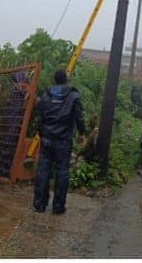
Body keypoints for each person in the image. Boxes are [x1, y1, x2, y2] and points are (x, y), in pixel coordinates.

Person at [32, 70, 86, 215]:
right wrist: (82, 133)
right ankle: (58, 207)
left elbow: (39, 116)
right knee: (62, 173)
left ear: (55, 80)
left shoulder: (45, 95)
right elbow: (79, 117)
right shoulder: (74, 96)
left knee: (43, 171)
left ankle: (39, 205)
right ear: (66, 80)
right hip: (63, 141)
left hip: (47, 139)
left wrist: (41, 133)